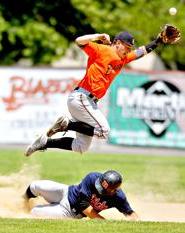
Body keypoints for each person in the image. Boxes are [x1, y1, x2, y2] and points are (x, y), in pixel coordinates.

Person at [24, 30, 164, 156]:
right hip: (82, 98)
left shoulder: (123, 59)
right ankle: (67, 124)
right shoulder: (102, 49)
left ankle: (44, 142)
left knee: (81, 146)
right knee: (104, 131)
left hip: (88, 102)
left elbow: (141, 52)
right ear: (117, 43)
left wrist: (158, 41)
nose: (128, 50)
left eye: (129, 48)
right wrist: (97, 36)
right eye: (126, 47)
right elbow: (79, 41)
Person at [24, 170, 139, 220]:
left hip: (70, 212)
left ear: (114, 190)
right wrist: (104, 222)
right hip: (66, 191)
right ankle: (22, 203)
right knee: (35, 186)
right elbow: (85, 207)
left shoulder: (119, 198)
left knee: (35, 211)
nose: (99, 189)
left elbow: (130, 213)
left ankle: (25, 212)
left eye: (104, 189)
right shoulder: (92, 177)